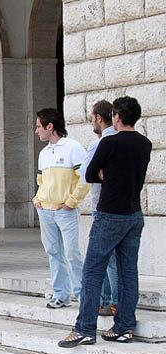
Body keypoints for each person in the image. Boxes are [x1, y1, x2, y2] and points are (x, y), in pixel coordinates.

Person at [58, 96, 152, 348]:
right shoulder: (145, 144)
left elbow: (89, 174)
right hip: (134, 214)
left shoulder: (108, 142)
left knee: (92, 271)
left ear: (117, 116)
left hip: (110, 213)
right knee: (128, 272)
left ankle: (85, 329)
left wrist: (105, 172)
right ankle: (123, 327)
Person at [33, 108, 90, 309]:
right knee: (53, 253)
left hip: (65, 211)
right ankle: (61, 295)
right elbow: (41, 181)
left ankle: (83, 297)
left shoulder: (73, 147)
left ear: (50, 126)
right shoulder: (43, 153)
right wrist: (37, 199)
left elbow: (85, 178)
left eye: (39, 126)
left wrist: (71, 202)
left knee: (72, 253)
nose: (36, 131)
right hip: (45, 211)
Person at [80, 100, 118, 316]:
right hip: (121, 207)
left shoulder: (99, 144)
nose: (91, 122)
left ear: (99, 118)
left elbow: (85, 174)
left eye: (92, 118)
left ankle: (112, 302)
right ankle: (108, 300)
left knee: (106, 258)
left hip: (102, 206)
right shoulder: (122, 139)